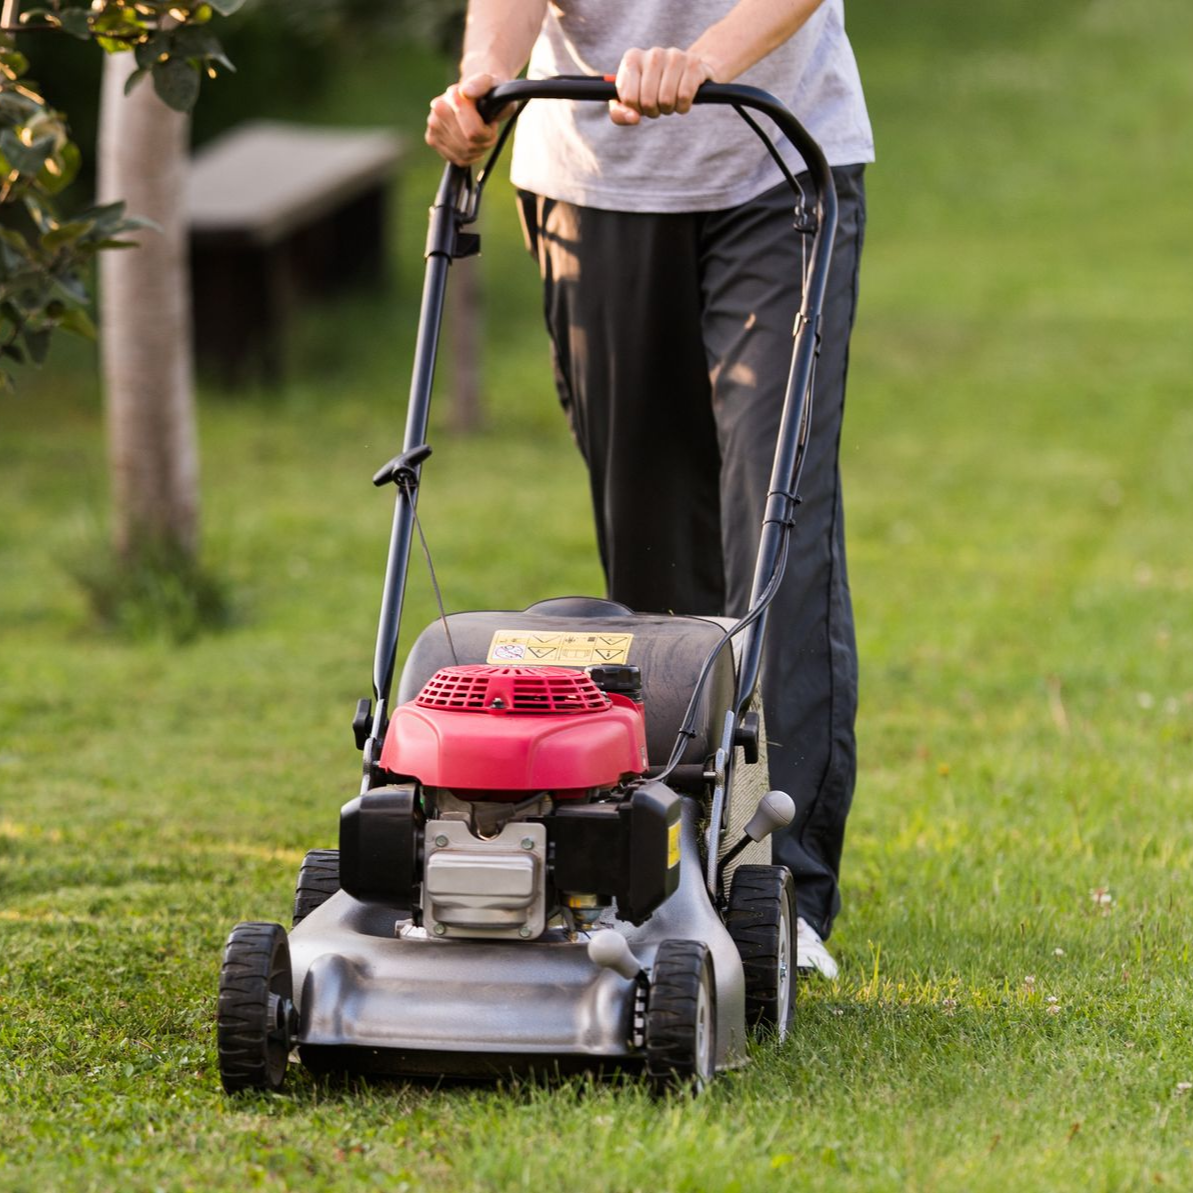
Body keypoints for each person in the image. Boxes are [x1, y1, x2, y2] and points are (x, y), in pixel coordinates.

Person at [425, 0, 873, 980]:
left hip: (771, 158)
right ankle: (672, 864)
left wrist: (701, 60)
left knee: (774, 520)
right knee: (650, 550)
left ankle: (784, 890)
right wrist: (481, 80)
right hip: (588, 176)